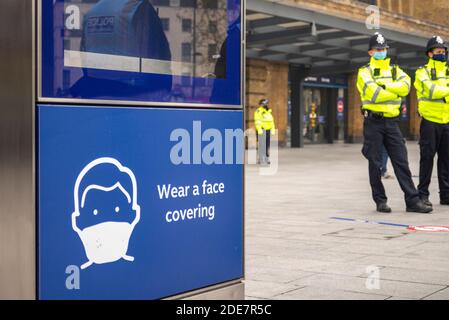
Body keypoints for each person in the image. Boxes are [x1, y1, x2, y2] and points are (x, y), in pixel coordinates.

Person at [357, 32, 432, 214]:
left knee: (401, 161)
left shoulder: (395, 70)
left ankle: (412, 201)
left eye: (383, 49)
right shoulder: (364, 72)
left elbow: (406, 87)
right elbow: (373, 93)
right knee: (375, 163)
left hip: (392, 123)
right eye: (378, 49)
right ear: (370, 52)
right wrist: (394, 91)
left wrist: (384, 87)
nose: (381, 52)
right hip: (373, 122)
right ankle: (380, 201)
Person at [415, 36, 449, 207]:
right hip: (429, 121)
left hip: (447, 121)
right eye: (438, 51)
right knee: (427, 159)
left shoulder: (447, 71)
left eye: (443, 51)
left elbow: (440, 91)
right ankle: (422, 195)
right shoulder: (422, 72)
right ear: (429, 54)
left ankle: (446, 195)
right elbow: (433, 91)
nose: (441, 54)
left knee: (446, 160)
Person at [254, 99, 275, 165]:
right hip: (261, 130)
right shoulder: (258, 111)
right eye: (264, 104)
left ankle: (266, 157)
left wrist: (273, 129)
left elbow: (271, 121)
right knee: (261, 145)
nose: (265, 105)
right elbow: (257, 121)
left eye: (266, 104)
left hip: (268, 130)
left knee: (267, 145)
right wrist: (259, 129)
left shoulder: (268, 112)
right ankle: (261, 158)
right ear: (260, 104)